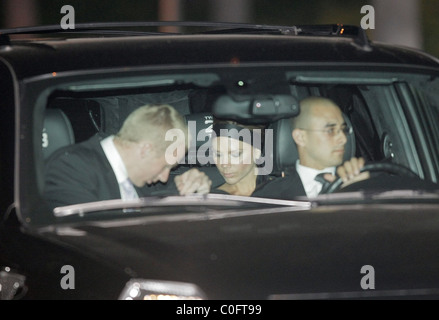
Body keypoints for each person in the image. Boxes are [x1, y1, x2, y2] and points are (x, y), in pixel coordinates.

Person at [44, 104, 211, 209]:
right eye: (166, 166)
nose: (165, 177)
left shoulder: (131, 179)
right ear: (145, 150)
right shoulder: (71, 167)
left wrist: (184, 188)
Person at [209, 119, 275, 197]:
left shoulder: (282, 191)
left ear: (257, 152)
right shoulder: (211, 199)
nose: (225, 164)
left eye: (235, 154)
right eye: (218, 154)